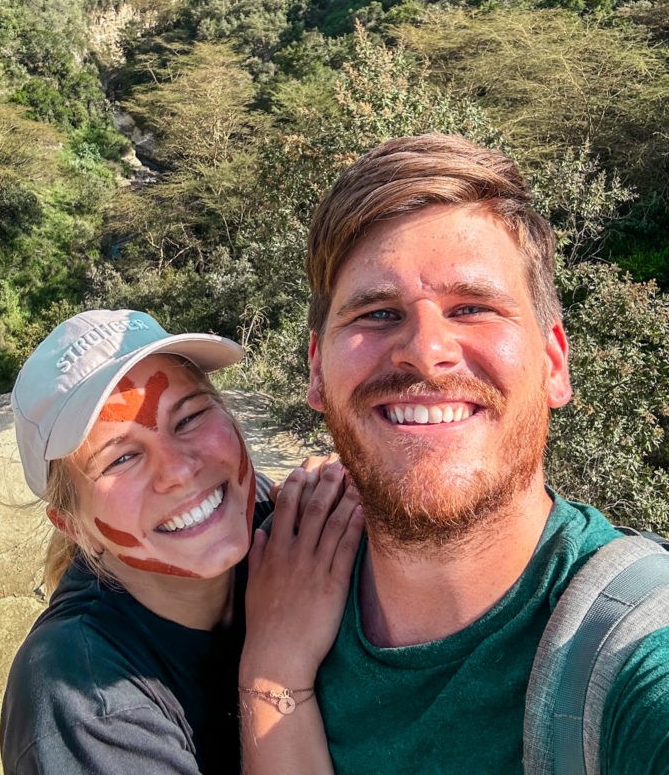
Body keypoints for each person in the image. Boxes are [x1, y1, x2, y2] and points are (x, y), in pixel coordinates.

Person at [239, 133, 669, 774]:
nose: (426, 348)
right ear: (316, 371)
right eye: (378, 314)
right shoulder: (263, 574)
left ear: (554, 363)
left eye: (473, 307)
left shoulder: (635, 650)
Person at [0, 308, 362, 775]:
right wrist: (275, 670)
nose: (180, 471)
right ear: (76, 528)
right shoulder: (83, 699)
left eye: (189, 417)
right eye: (122, 458)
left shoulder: (275, 520)